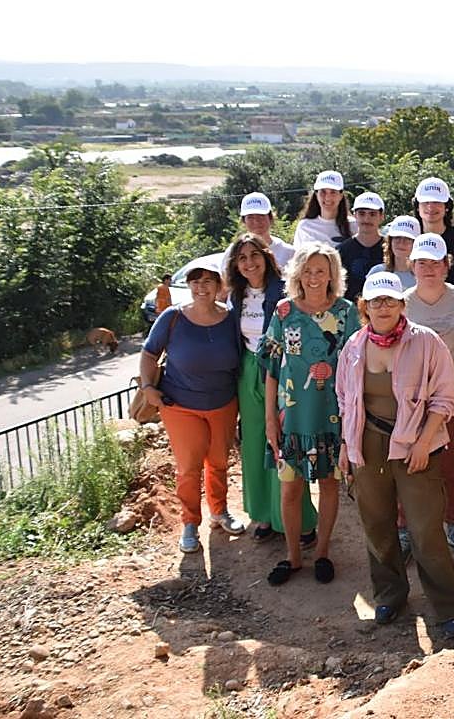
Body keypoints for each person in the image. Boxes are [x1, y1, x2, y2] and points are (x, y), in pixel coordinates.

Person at [336, 271, 454, 640]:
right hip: (368, 444)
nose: (383, 307)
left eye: (390, 300)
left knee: (426, 529)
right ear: (364, 306)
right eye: (375, 301)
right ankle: (390, 595)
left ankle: (448, 607)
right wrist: (346, 447)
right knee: (377, 525)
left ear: (401, 304)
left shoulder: (426, 343)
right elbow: (345, 400)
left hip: (415, 445)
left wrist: (425, 444)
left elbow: (445, 398)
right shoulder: (353, 347)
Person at [260, 243, 359, 585]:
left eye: (321, 270)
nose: (314, 277)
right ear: (297, 273)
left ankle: (322, 553)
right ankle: (293, 556)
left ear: (333, 274)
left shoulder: (347, 313)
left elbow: (355, 368)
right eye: (308, 270)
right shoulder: (284, 311)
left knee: (330, 483)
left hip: (333, 415)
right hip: (292, 417)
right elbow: (271, 369)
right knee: (290, 489)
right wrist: (271, 420)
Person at [138, 259, 243, 554]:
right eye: (195, 282)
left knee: (219, 461)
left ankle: (219, 512)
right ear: (189, 285)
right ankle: (189, 523)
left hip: (223, 402)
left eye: (208, 281)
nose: (201, 287)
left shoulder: (232, 318)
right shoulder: (173, 317)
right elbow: (149, 354)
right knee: (189, 467)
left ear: (219, 285)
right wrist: (148, 388)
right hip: (180, 404)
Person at [224, 234, 318, 544]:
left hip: (282, 369)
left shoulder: (283, 290)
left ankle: (299, 519)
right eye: (242, 258)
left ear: (266, 257)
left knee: (286, 441)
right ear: (236, 265)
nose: (249, 263)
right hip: (249, 369)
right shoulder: (236, 296)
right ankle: (264, 514)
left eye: (255, 255)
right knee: (254, 443)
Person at [404, 233, 454, 558]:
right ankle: (405, 529)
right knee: (408, 465)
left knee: (450, 466)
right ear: (412, 265)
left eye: (435, 262)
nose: (429, 268)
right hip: (411, 403)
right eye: (422, 262)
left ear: (447, 265)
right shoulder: (401, 301)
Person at [413, 177, 454, 295]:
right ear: (417, 206)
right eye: (425, 202)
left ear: (447, 207)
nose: (430, 207)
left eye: (437, 202)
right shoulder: (408, 240)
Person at [225, 192, 296, 271]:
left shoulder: (289, 252)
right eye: (250, 217)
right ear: (243, 221)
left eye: (261, 215)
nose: (256, 221)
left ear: (271, 218)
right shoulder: (232, 252)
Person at [338, 191, 386, 302]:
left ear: (382, 216)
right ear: (354, 215)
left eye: (372, 214)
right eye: (362, 214)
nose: (367, 219)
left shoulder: (391, 249)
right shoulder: (341, 251)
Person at [294, 170, 355, 247]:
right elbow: (297, 257)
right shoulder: (304, 226)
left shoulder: (354, 225)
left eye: (333, 192)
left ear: (341, 195)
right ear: (316, 194)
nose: (328, 197)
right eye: (323, 191)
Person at [368, 214, 420, 289]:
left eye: (408, 238)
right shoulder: (377, 272)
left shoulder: (422, 276)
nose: (401, 242)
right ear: (390, 241)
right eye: (397, 237)